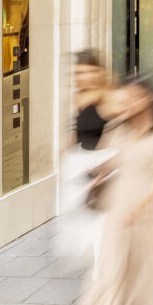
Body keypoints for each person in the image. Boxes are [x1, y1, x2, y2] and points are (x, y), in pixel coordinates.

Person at [66, 78, 153, 305]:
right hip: (120, 204)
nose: (126, 104)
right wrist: (97, 173)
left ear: (148, 98)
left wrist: (143, 203)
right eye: (124, 99)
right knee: (111, 265)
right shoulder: (117, 128)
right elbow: (113, 160)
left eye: (132, 98)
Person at [58, 51, 114, 263]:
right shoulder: (77, 96)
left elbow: (119, 134)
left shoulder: (109, 97)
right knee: (84, 220)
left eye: (88, 72)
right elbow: (75, 131)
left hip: (103, 166)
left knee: (102, 223)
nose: (82, 77)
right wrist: (63, 158)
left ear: (100, 72)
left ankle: (105, 275)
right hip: (82, 163)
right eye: (77, 73)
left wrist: (104, 167)